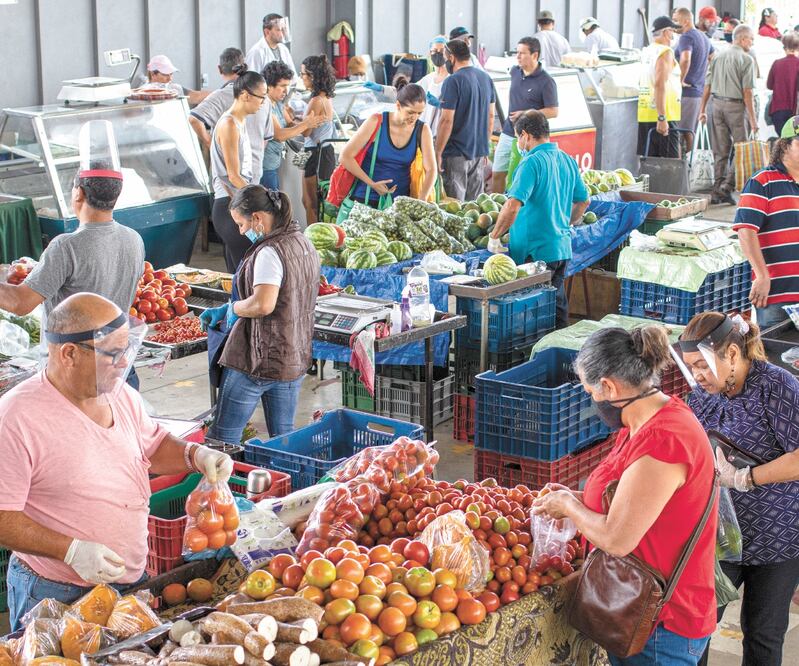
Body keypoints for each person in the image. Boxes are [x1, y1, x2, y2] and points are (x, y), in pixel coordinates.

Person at [0, 293, 233, 631]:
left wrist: (195, 455)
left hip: (128, 581)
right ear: (69, 353)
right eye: (113, 354)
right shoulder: (16, 418)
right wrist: (70, 551)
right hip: (55, 590)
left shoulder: (118, 393)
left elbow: (152, 444)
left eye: (127, 350)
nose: (125, 364)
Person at [532, 325, 718, 666]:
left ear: (609, 387)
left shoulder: (663, 440)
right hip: (636, 607)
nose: (593, 400)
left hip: (661, 624)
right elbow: (631, 497)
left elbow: (617, 539)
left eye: (591, 392)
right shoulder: (644, 422)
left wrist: (570, 506)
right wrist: (575, 498)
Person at [679, 312, 799, 666]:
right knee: (695, 629)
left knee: (763, 635)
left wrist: (746, 478)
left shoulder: (776, 386)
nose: (697, 375)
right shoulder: (702, 396)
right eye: (691, 367)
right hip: (719, 536)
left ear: (732, 353)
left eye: (702, 365)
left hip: (778, 536)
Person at [201, 186, 320, 443]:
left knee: (222, 438)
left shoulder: (269, 251)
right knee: (283, 440)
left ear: (257, 217)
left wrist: (233, 309)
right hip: (292, 356)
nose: (241, 231)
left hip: (258, 359)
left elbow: (263, 304)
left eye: (241, 224)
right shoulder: (303, 242)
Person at [487, 111, 589, 329]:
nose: (518, 143)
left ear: (525, 135)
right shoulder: (567, 160)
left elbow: (512, 205)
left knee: (532, 314)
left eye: (518, 138)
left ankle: (540, 349)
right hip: (561, 249)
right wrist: (565, 223)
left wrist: (494, 236)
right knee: (556, 308)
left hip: (535, 253)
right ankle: (559, 348)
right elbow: (583, 201)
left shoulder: (531, 163)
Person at [733, 117, 799, 328]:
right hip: (777, 295)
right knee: (774, 347)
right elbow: (746, 230)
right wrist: (762, 275)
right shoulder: (762, 182)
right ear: (785, 146)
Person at [339, 82, 436, 208]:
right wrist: (372, 184)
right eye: (410, 112)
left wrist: (422, 199)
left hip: (400, 203)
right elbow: (345, 157)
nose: (415, 117)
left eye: (419, 113)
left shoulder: (422, 130)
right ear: (398, 105)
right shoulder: (376, 121)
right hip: (365, 198)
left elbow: (431, 169)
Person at [210, 70, 268, 272]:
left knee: (239, 273)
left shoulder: (239, 122)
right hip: (230, 206)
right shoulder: (229, 124)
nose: (263, 103)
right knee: (245, 272)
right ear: (245, 94)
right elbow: (233, 176)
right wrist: (264, 197)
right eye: (261, 97)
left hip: (238, 204)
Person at [698, 25, 758, 205]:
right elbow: (747, 92)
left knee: (720, 150)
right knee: (742, 149)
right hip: (736, 108)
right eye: (751, 39)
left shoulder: (717, 57)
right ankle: (726, 186)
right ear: (742, 39)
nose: (752, 42)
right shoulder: (746, 59)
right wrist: (753, 120)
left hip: (716, 105)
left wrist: (702, 110)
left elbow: (707, 86)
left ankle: (717, 191)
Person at [491, 37, 558, 194]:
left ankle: (519, 206)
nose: (518, 56)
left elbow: (553, 111)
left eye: (522, 53)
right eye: (517, 52)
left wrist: (526, 114)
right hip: (508, 132)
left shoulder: (546, 81)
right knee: (497, 173)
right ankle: (497, 203)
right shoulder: (515, 71)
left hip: (530, 138)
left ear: (535, 55)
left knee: (521, 178)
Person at [436, 39, 495, 201]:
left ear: (452, 58)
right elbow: (491, 116)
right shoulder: (486, 78)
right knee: (474, 205)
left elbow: (446, 120)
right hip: (478, 152)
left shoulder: (452, 81)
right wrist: (485, 146)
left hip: (456, 153)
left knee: (454, 205)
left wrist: (438, 152)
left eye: (446, 58)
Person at [261, 61, 325, 191]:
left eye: (287, 86)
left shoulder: (278, 103)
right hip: (264, 167)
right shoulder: (264, 104)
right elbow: (279, 135)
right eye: (282, 86)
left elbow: (290, 124)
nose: (286, 91)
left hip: (274, 163)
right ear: (269, 86)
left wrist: (308, 124)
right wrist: (306, 124)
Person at [299, 55, 337, 224]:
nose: (301, 78)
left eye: (303, 74)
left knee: (311, 203)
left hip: (315, 153)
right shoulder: (326, 97)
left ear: (313, 76)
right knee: (307, 200)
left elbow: (306, 132)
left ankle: (312, 237)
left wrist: (292, 122)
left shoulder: (316, 101)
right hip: (317, 152)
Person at [637, 17, 682, 160]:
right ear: (666, 32)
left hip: (646, 114)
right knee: (670, 164)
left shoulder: (648, 51)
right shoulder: (665, 52)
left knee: (649, 163)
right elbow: (659, 84)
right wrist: (662, 117)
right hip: (664, 115)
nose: (674, 34)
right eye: (673, 31)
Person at [672, 8, 714, 151]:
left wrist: (679, 81)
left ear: (686, 21)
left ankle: (683, 163)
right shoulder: (704, 37)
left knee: (678, 133)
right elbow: (713, 57)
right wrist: (702, 76)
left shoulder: (686, 37)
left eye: (676, 21)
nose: (673, 25)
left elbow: (685, 59)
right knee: (688, 131)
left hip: (686, 92)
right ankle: (690, 161)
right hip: (697, 91)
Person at [138, 55, 208, 106]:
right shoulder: (141, 93)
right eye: (165, 74)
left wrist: (215, 95)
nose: (170, 78)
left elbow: (197, 96)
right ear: (152, 74)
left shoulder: (174, 88)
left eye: (171, 74)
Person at [245, 13, 296, 81]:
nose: (283, 32)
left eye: (284, 29)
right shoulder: (256, 52)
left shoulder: (284, 49)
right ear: (267, 32)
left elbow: (293, 76)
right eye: (279, 29)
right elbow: (251, 81)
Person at [767, 33, 799, 137]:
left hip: (778, 109)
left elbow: (769, 85)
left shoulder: (777, 63)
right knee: (794, 143)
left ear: (784, 47)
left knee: (783, 141)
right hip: (795, 111)